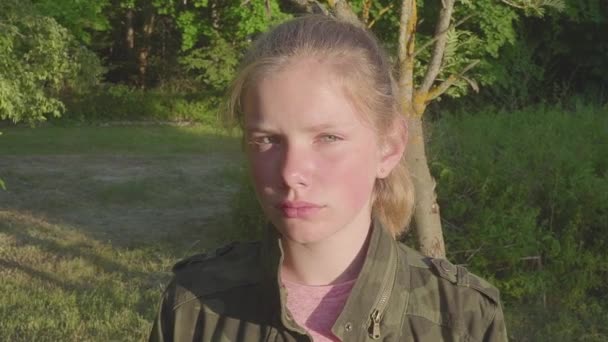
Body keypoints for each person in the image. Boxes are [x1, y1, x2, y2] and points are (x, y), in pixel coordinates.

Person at [149, 15, 507, 342]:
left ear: (389, 146)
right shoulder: (194, 305)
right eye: (267, 140)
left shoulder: (463, 319)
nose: (291, 173)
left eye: (327, 138)